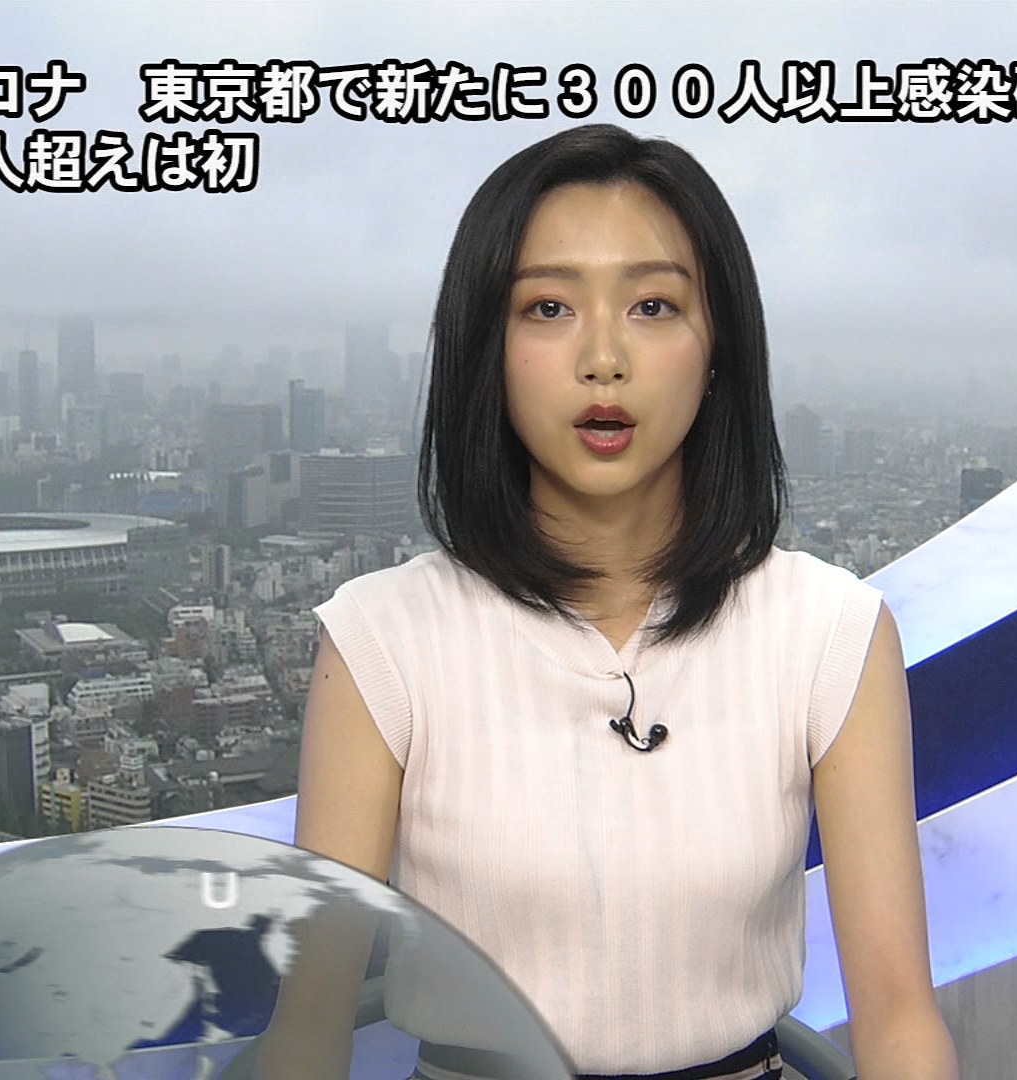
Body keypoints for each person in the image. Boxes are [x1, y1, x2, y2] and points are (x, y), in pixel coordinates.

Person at [286, 123, 959, 1080]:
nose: (603, 358)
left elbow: (897, 1016)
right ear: (487, 349)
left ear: (718, 347)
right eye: (548, 307)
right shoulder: (382, 641)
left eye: (652, 306)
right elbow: (308, 1030)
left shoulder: (828, 632)